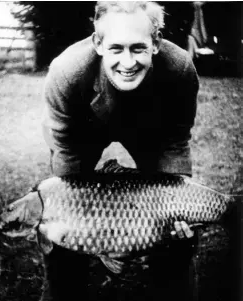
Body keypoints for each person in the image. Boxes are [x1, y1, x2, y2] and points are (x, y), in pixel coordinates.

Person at [41, 2, 199, 301]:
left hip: (151, 129)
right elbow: (66, 149)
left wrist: (174, 208)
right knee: (62, 229)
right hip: (82, 132)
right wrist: (82, 225)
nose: (128, 62)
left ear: (156, 44)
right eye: (116, 49)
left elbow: (176, 141)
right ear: (98, 44)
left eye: (138, 48)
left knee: (178, 229)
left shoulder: (179, 68)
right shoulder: (66, 72)